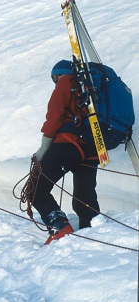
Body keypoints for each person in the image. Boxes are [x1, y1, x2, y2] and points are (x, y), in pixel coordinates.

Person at [30, 59, 100, 245]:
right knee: (84, 196)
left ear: (62, 74)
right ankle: (92, 231)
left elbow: (54, 116)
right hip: (92, 149)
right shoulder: (90, 90)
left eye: (56, 77)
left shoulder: (66, 82)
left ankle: (60, 228)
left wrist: (44, 148)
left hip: (69, 145)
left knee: (36, 188)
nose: (57, 81)